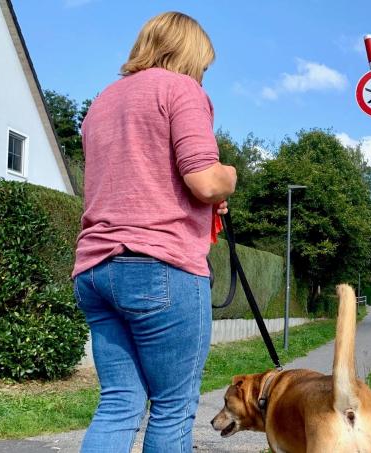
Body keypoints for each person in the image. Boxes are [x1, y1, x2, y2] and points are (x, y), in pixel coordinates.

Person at [72, 12, 237, 453]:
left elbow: (138, 176)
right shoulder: (180, 88)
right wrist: (229, 177)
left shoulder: (103, 101)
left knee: (119, 403)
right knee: (172, 406)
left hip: (95, 267)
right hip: (160, 266)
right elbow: (204, 180)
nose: (202, 73)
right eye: (202, 63)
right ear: (188, 54)